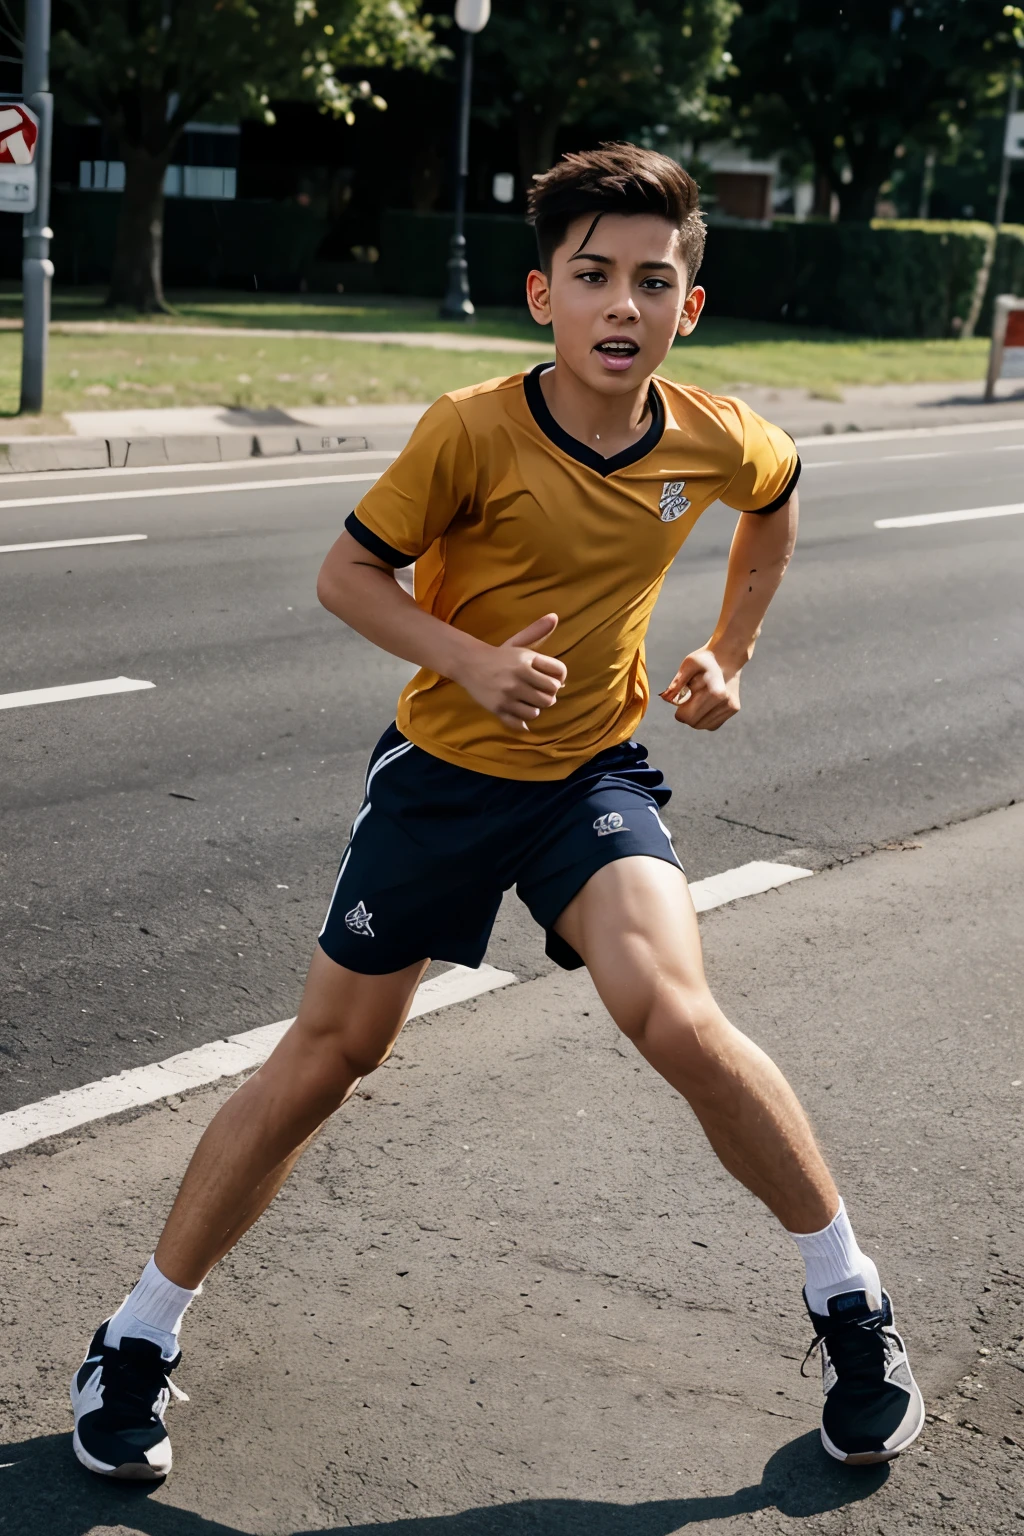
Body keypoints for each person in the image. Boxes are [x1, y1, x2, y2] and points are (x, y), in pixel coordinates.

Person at [71, 142, 923, 1481]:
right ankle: (136, 1335)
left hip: (588, 779)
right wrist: (464, 656)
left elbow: (778, 501)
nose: (623, 307)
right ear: (545, 296)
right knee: (330, 1058)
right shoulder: (470, 430)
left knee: (677, 1016)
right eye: (594, 278)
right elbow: (347, 575)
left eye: (654, 281)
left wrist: (731, 653)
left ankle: (853, 1303)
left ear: (687, 307)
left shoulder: (709, 433)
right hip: (441, 779)